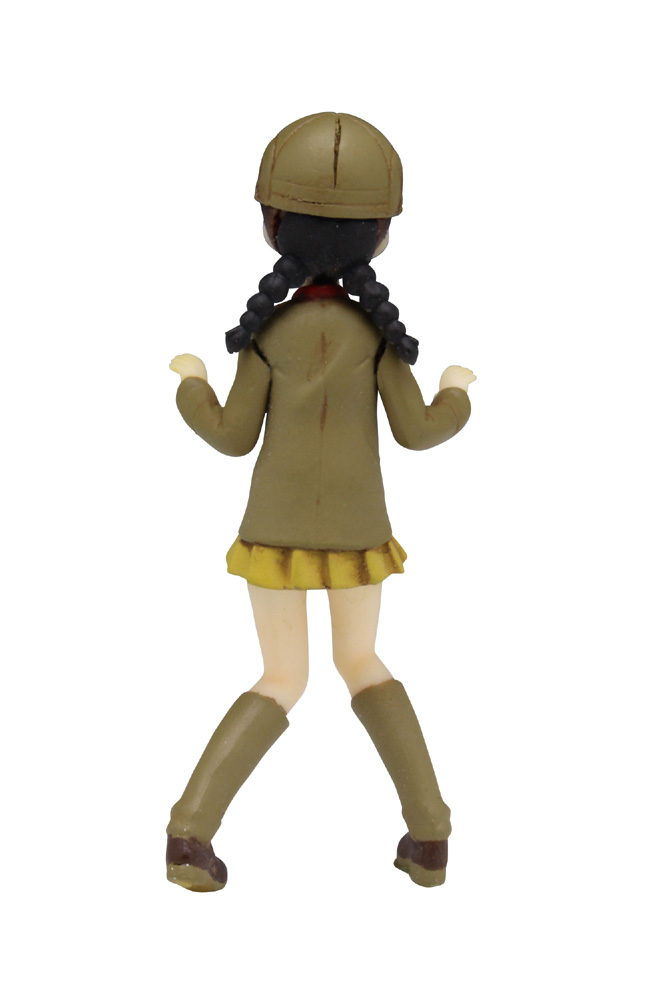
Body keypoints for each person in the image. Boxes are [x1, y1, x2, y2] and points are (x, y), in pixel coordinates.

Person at [166, 112, 475, 891]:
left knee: (282, 676)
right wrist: (455, 393)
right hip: (358, 536)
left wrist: (192, 384)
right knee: (361, 662)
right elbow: (419, 432)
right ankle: (429, 835)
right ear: (381, 233)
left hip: (272, 537)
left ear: (272, 223)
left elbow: (231, 436)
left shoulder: (267, 334)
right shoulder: (376, 337)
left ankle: (189, 836)